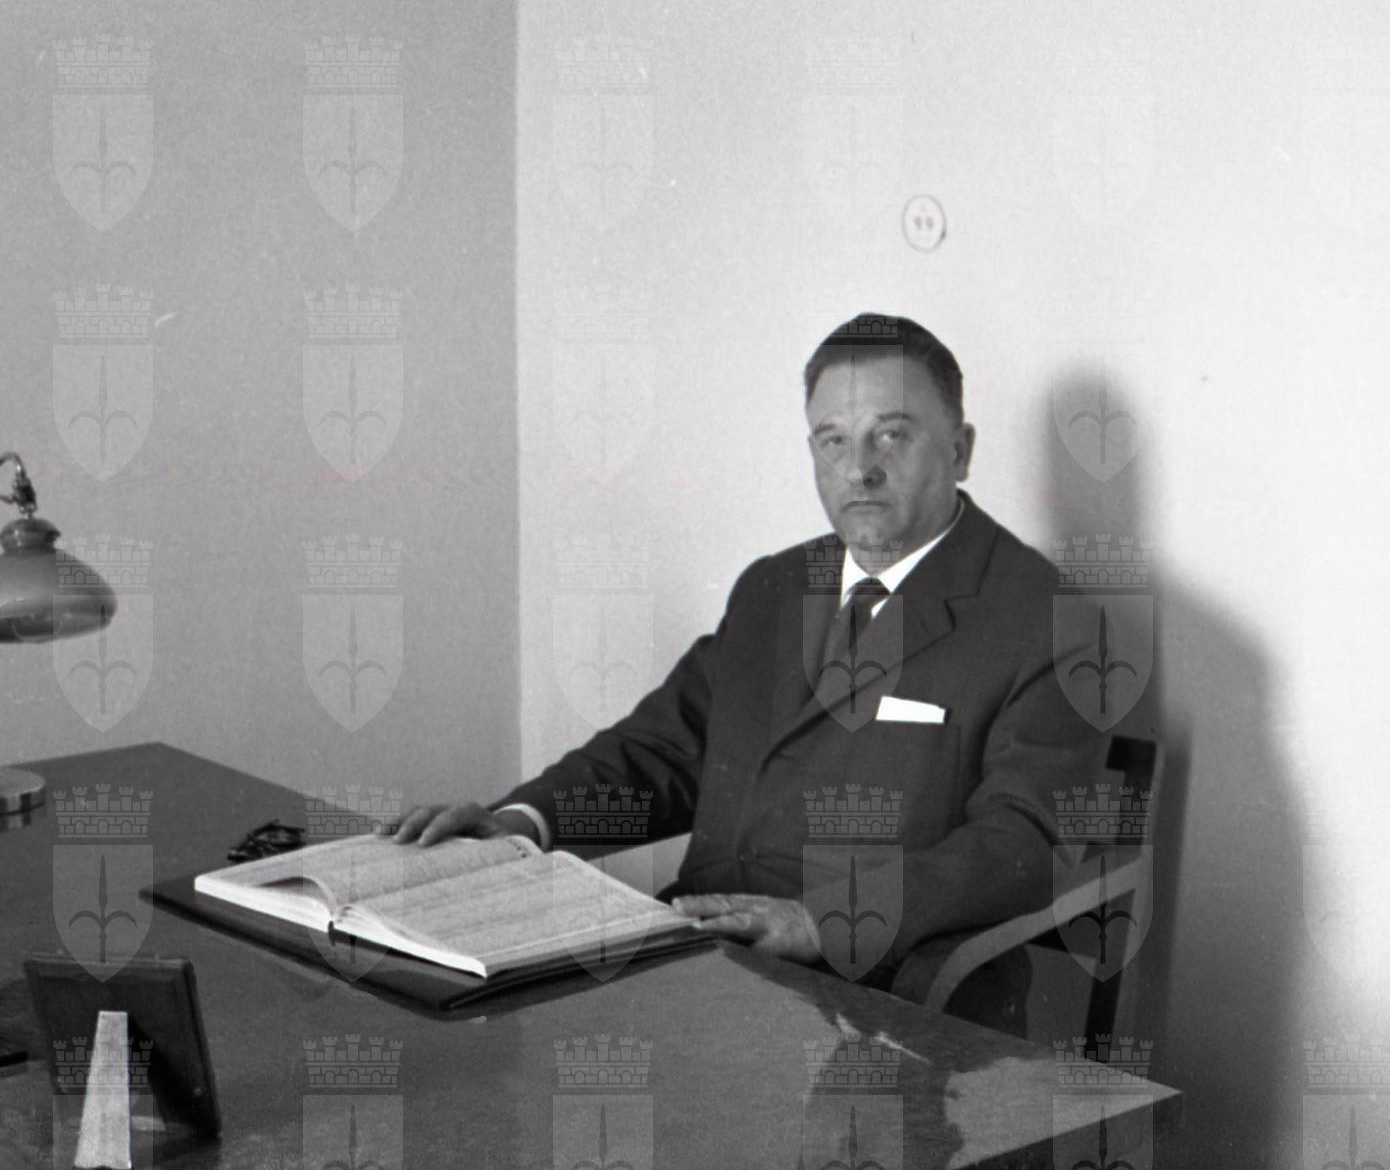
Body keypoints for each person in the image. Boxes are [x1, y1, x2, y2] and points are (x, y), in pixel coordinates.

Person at [391, 313, 1100, 982]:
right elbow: (663, 750)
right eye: (833, 440)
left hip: (878, 992)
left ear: (961, 450)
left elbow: (1026, 841)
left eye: (890, 435)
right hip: (698, 956)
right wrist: (521, 824)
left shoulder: (1048, 619)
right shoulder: (773, 587)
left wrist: (827, 921)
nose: (859, 469)